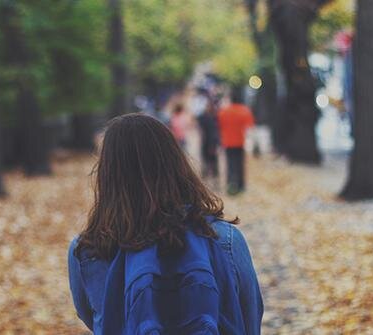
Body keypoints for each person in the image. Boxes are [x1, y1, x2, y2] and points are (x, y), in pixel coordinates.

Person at [68, 114, 263, 334]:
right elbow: (249, 317)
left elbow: (95, 319)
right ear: (177, 163)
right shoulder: (224, 239)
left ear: (107, 174)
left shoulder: (88, 250)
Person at [218, 89, 254, 195]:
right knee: (240, 164)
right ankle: (241, 185)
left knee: (230, 164)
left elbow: (219, 125)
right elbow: (249, 127)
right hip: (240, 142)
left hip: (227, 141)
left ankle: (231, 186)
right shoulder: (245, 111)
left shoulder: (224, 111)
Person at [197, 95, 220, 183]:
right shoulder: (208, 117)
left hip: (212, 142)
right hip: (206, 141)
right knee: (206, 160)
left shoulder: (215, 117)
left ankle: (214, 179)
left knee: (213, 161)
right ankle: (206, 178)